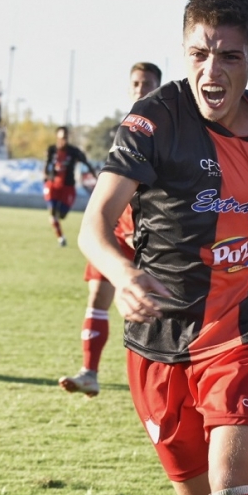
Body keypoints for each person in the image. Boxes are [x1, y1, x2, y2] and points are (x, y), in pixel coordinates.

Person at [78, 0, 248, 495]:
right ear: (184, 52)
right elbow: (93, 227)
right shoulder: (154, 121)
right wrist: (123, 274)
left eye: (228, 56)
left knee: (234, 488)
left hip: (242, 334)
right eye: (199, 54)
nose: (211, 69)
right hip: (157, 344)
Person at [59, 62, 163, 397]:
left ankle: (163, 381)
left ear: (158, 86)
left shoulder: (168, 128)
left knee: (154, 310)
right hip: (117, 231)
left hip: (153, 236)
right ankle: (89, 372)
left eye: (146, 83)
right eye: (135, 83)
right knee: (97, 298)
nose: (140, 88)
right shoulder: (127, 128)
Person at [44, 126, 95, 247]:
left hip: (68, 186)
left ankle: (58, 223)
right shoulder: (51, 150)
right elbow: (46, 165)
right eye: (62, 138)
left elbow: (86, 163)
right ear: (57, 137)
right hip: (52, 184)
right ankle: (61, 238)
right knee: (52, 213)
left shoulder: (74, 151)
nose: (64, 140)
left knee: (62, 215)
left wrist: (95, 176)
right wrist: (46, 175)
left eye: (66, 137)